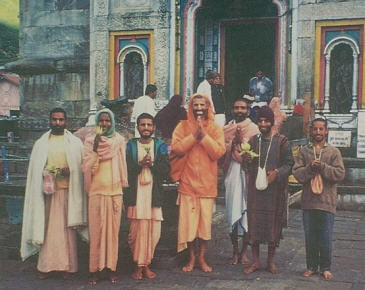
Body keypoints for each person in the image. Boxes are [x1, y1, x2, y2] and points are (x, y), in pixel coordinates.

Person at [20, 107, 87, 280]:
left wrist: (70, 171)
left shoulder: (75, 143)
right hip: (48, 193)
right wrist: (45, 174)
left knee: (68, 231)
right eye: (54, 119)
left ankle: (68, 267)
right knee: (48, 231)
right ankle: (46, 266)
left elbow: (82, 168)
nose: (58, 123)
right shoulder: (41, 144)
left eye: (61, 120)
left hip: (68, 193)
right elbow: (35, 171)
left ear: (66, 121)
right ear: (49, 121)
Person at [171, 93, 226, 273]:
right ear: (191, 107)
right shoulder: (182, 126)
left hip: (207, 185)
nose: (199, 108)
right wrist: (194, 135)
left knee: (204, 227)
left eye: (203, 105)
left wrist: (204, 137)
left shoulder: (216, 128)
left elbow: (218, 152)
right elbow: (177, 149)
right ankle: (191, 259)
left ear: (208, 107)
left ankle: (201, 258)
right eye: (196, 105)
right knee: (189, 226)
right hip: (187, 184)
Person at [292, 117, 345, 280]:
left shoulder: (333, 152)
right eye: (315, 129)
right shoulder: (304, 151)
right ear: (310, 131)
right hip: (309, 201)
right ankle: (312, 266)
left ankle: (326, 267)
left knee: (326, 236)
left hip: (327, 201)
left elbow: (340, 173)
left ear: (326, 131)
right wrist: (309, 167)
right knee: (310, 235)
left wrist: (322, 166)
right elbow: (297, 173)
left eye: (321, 129)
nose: (318, 132)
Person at [242, 106, 293, 275]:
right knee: (254, 225)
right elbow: (245, 163)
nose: (263, 124)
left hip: (274, 191)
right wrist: (247, 159)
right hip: (255, 191)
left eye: (266, 121)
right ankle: (255, 262)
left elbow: (289, 163)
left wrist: (277, 173)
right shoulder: (253, 141)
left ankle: (270, 262)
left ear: (272, 122)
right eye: (261, 121)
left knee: (273, 225)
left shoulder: (282, 141)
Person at [82, 108, 128, 285]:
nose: (104, 124)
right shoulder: (89, 140)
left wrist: (122, 188)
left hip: (115, 191)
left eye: (107, 120)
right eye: (101, 120)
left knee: (112, 234)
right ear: (96, 122)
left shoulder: (119, 140)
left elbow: (123, 165)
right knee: (97, 233)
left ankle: (111, 269)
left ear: (112, 122)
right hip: (96, 192)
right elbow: (87, 168)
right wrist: (95, 146)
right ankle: (94, 270)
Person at [125, 113, 170, 280]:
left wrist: (152, 165)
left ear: (154, 127)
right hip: (136, 195)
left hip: (153, 194)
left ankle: (147, 264)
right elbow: (126, 169)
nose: (146, 128)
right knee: (135, 233)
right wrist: (139, 165)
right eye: (142, 125)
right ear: (137, 127)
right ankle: (138, 265)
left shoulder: (160, 145)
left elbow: (166, 169)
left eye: (149, 125)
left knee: (153, 232)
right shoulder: (130, 145)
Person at [222, 98, 260, 265]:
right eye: (236, 108)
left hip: (247, 175)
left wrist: (244, 149)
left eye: (242, 108)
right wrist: (233, 143)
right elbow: (220, 151)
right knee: (232, 212)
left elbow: (257, 153)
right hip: (231, 173)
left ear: (248, 110)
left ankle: (244, 252)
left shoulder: (254, 129)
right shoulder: (225, 129)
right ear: (232, 109)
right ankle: (234, 251)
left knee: (246, 213)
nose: (239, 111)